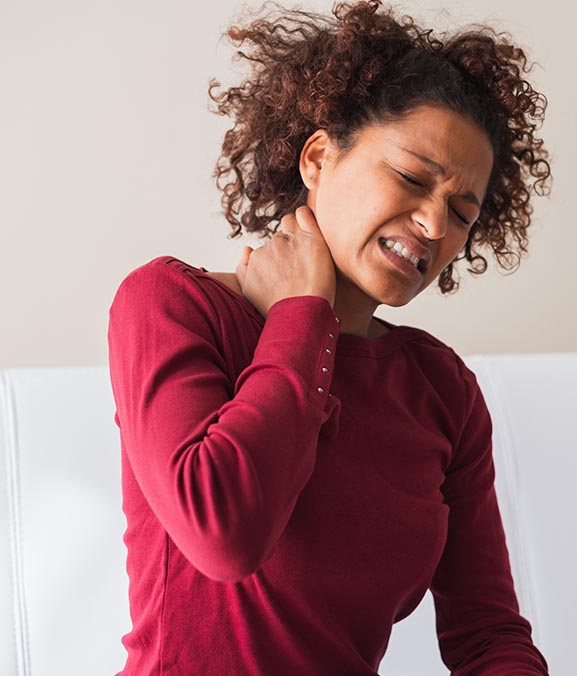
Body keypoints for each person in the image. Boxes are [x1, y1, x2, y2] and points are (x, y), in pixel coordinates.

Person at [106, 0, 552, 673]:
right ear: (318, 157)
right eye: (410, 178)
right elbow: (223, 534)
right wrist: (300, 318)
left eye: (463, 212)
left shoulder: (442, 391)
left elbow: (488, 633)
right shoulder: (172, 306)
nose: (434, 225)